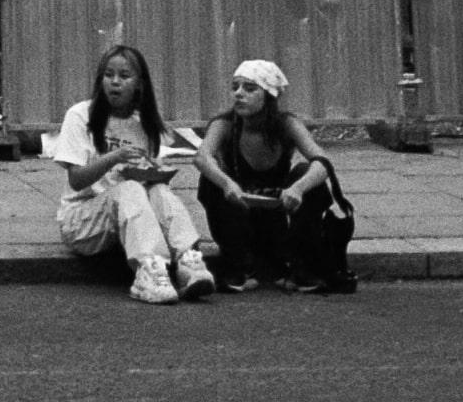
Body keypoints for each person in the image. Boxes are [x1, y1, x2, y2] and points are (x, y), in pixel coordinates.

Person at [50, 43, 215, 304]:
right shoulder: (81, 115)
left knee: (158, 190)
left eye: (124, 76)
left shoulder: (144, 123)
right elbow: (77, 179)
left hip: (129, 216)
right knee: (128, 190)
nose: (114, 82)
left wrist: (154, 173)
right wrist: (113, 158)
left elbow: (143, 183)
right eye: (108, 75)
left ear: (139, 84)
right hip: (81, 220)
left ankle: (187, 260)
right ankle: (148, 268)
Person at [192, 60, 352, 294]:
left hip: (278, 222)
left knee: (305, 173)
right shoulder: (225, 124)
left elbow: (323, 163)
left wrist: (298, 188)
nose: (238, 94)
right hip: (239, 222)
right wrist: (227, 184)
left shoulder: (286, 124)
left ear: (268, 95)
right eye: (235, 87)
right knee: (210, 179)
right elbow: (202, 158)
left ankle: (301, 267)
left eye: (249, 88)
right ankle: (239, 267)